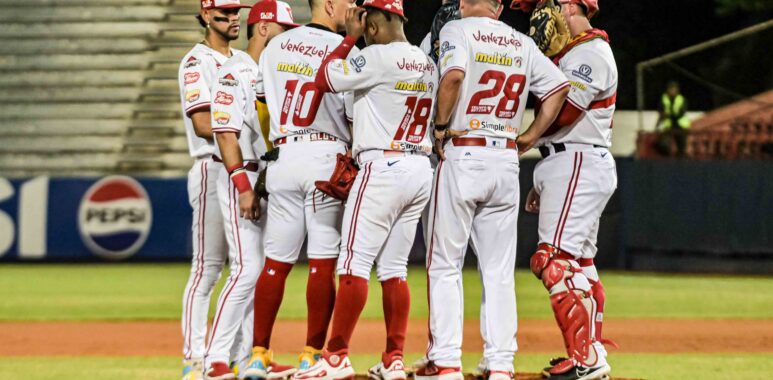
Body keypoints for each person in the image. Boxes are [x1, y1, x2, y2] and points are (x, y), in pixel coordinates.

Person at [418, 0, 570, 379]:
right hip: (505, 157)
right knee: (498, 270)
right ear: (500, 7)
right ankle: (501, 363)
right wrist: (531, 136)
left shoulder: (456, 30)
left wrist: (439, 127)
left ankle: (447, 359)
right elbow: (558, 88)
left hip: (463, 150)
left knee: (444, 264)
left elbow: (452, 76)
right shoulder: (521, 41)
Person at [293, 2, 437, 379]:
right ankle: (393, 359)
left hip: (383, 165)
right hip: (420, 166)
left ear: (372, 26)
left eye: (365, 25)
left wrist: (349, 38)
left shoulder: (376, 57)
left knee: (353, 262)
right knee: (394, 268)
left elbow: (325, 77)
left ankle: (336, 356)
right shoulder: (426, 62)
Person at [244, 0, 358, 377]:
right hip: (326, 155)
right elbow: (353, 113)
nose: (352, 7)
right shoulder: (344, 50)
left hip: (284, 155)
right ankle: (312, 353)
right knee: (323, 263)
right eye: (347, 2)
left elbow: (260, 104)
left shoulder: (276, 45)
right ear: (328, 4)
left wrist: (268, 154)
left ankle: (258, 354)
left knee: (275, 264)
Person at [522, 0, 618, 379]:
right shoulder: (572, 54)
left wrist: (527, 138)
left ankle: (587, 359)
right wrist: (542, 176)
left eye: (545, 5)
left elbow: (566, 114)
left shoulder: (589, 52)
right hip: (570, 161)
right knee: (580, 265)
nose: (538, 14)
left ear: (568, 6)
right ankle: (589, 352)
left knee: (552, 261)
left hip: (577, 160)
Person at [203, 2, 300, 379]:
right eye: (283, 28)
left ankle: (249, 358)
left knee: (261, 272)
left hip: (268, 178)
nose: (289, 35)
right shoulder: (235, 71)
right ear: (262, 28)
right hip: (242, 176)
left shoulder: (272, 71)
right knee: (247, 269)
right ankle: (214, 360)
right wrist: (243, 187)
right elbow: (224, 132)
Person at [178, 0, 250, 378]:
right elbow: (205, 124)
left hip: (237, 167)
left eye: (236, 12)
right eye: (224, 13)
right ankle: (194, 357)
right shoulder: (196, 62)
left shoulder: (239, 60)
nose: (234, 18)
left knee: (245, 266)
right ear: (206, 16)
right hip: (211, 166)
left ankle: (237, 354)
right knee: (208, 267)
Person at [656, 81, 691, 157]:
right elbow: (661, 112)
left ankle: (681, 156)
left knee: (682, 147)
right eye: (670, 89)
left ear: (677, 90)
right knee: (664, 145)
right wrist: (658, 124)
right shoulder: (663, 99)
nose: (672, 91)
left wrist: (668, 115)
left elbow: (681, 112)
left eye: (674, 89)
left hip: (680, 127)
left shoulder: (681, 99)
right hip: (668, 127)